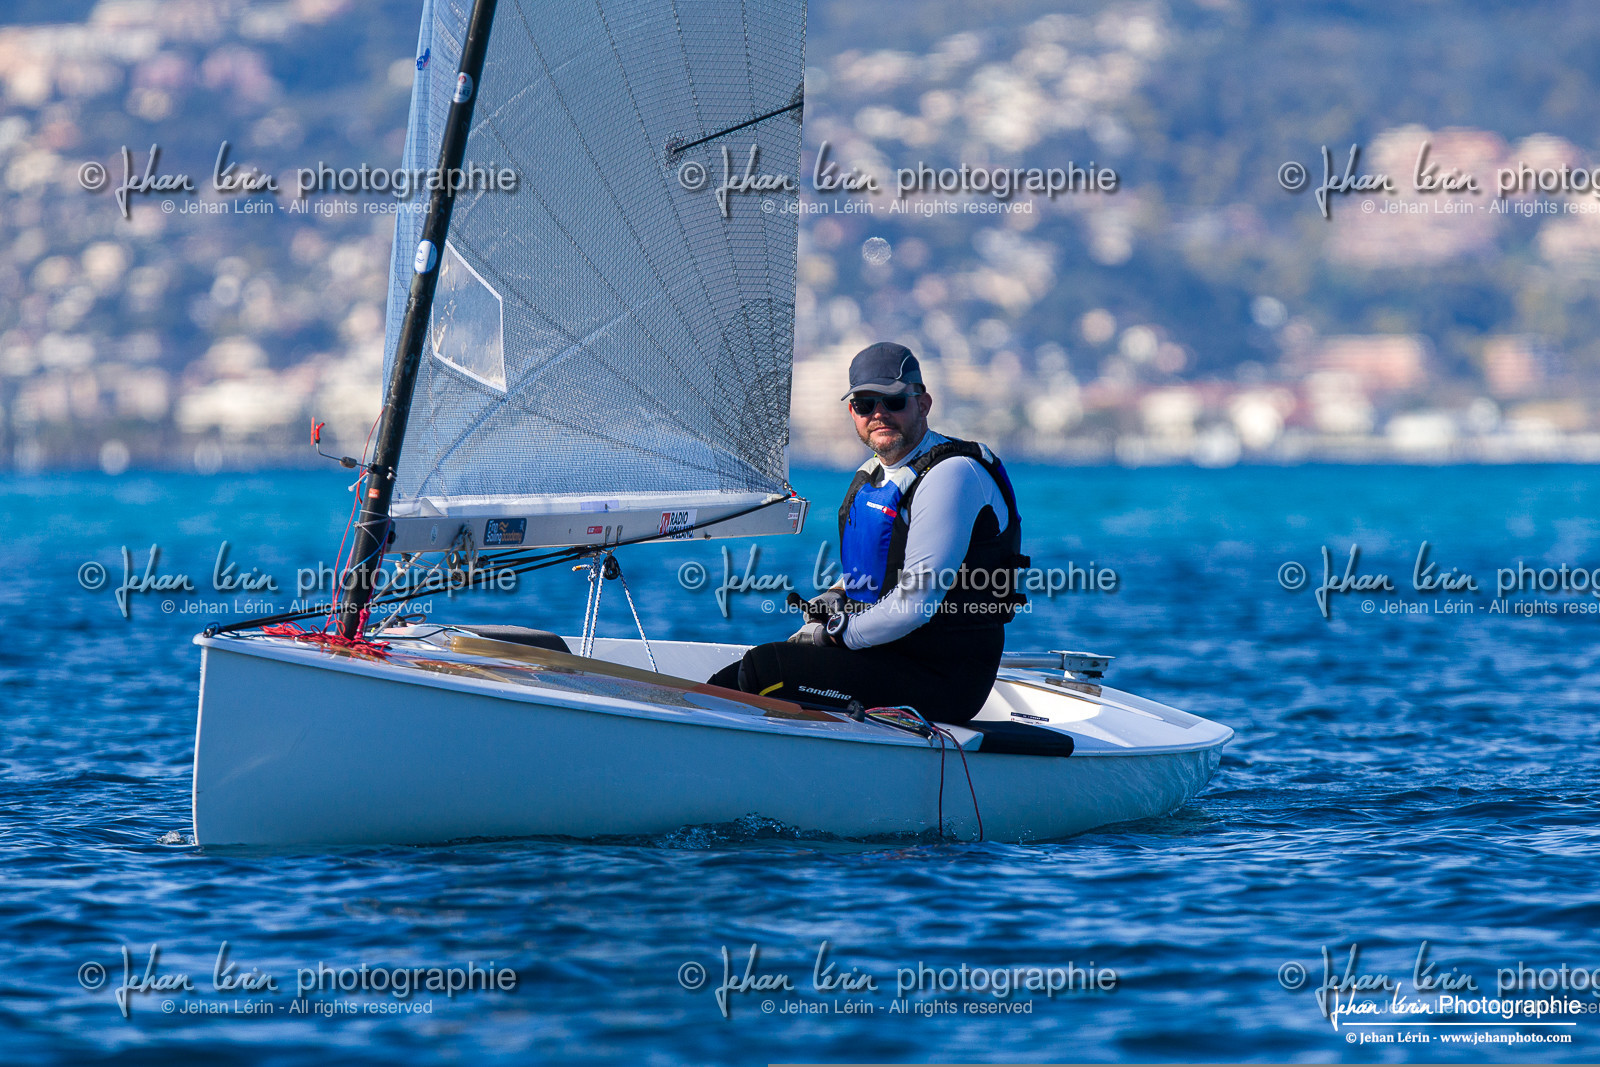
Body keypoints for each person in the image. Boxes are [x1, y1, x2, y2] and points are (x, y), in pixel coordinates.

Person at [707, 341, 1027, 724]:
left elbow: (914, 602)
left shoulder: (952, 475)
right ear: (852, 412)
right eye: (865, 404)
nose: (879, 414)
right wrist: (833, 597)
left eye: (893, 402)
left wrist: (834, 634)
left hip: (944, 679)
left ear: (922, 404)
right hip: (885, 654)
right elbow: (881, 566)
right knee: (731, 678)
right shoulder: (875, 475)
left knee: (765, 670)